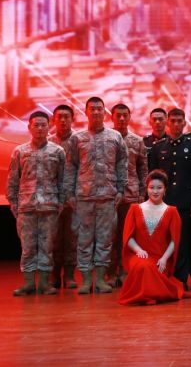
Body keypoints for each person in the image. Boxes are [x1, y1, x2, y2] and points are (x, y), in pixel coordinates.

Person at [70, 97, 128, 295]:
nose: (95, 112)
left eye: (99, 109)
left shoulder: (115, 137)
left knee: (105, 240)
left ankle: (101, 280)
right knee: (84, 240)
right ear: (86, 112)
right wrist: (70, 193)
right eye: (92, 109)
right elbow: (71, 167)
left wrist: (121, 190)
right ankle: (86, 281)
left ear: (105, 113)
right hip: (84, 198)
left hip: (107, 197)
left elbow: (122, 165)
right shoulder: (77, 138)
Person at [7, 111, 69, 296]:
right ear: (29, 127)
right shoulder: (20, 151)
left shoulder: (58, 151)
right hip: (26, 207)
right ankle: (28, 283)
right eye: (36, 125)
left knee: (47, 247)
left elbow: (63, 181)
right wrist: (14, 204)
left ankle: (43, 283)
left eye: (43, 125)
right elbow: (12, 181)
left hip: (50, 207)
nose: (40, 128)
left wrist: (60, 203)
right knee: (27, 247)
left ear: (49, 127)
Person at [148, 108, 191, 290]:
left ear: (185, 123)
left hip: (185, 202)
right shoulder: (158, 147)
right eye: (173, 121)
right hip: (163, 203)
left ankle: (180, 279)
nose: (176, 124)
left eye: (180, 121)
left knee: (182, 242)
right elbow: (153, 177)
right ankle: (162, 277)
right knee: (162, 241)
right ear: (167, 122)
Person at [118, 170, 184, 305]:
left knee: (148, 268)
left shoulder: (172, 211)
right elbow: (128, 237)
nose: (155, 191)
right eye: (151, 187)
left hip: (160, 258)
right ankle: (147, 295)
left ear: (165, 190)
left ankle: (149, 294)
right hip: (138, 255)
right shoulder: (134, 209)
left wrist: (164, 258)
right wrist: (138, 250)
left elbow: (174, 241)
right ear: (146, 189)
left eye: (159, 188)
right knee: (143, 266)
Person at [109, 103, 148, 287]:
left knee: (128, 236)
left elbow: (143, 169)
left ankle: (125, 271)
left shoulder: (137, 141)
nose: (122, 118)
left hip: (131, 196)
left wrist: (142, 194)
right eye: (118, 115)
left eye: (125, 115)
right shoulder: (106, 139)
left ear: (130, 117)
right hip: (109, 196)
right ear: (112, 117)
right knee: (109, 237)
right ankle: (110, 273)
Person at [48, 104, 79, 289]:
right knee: (53, 238)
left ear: (72, 119)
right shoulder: (48, 143)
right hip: (52, 200)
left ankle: (69, 276)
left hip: (74, 199)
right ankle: (54, 276)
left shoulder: (80, 141)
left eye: (66, 117)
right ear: (53, 119)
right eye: (59, 117)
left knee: (72, 239)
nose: (62, 120)